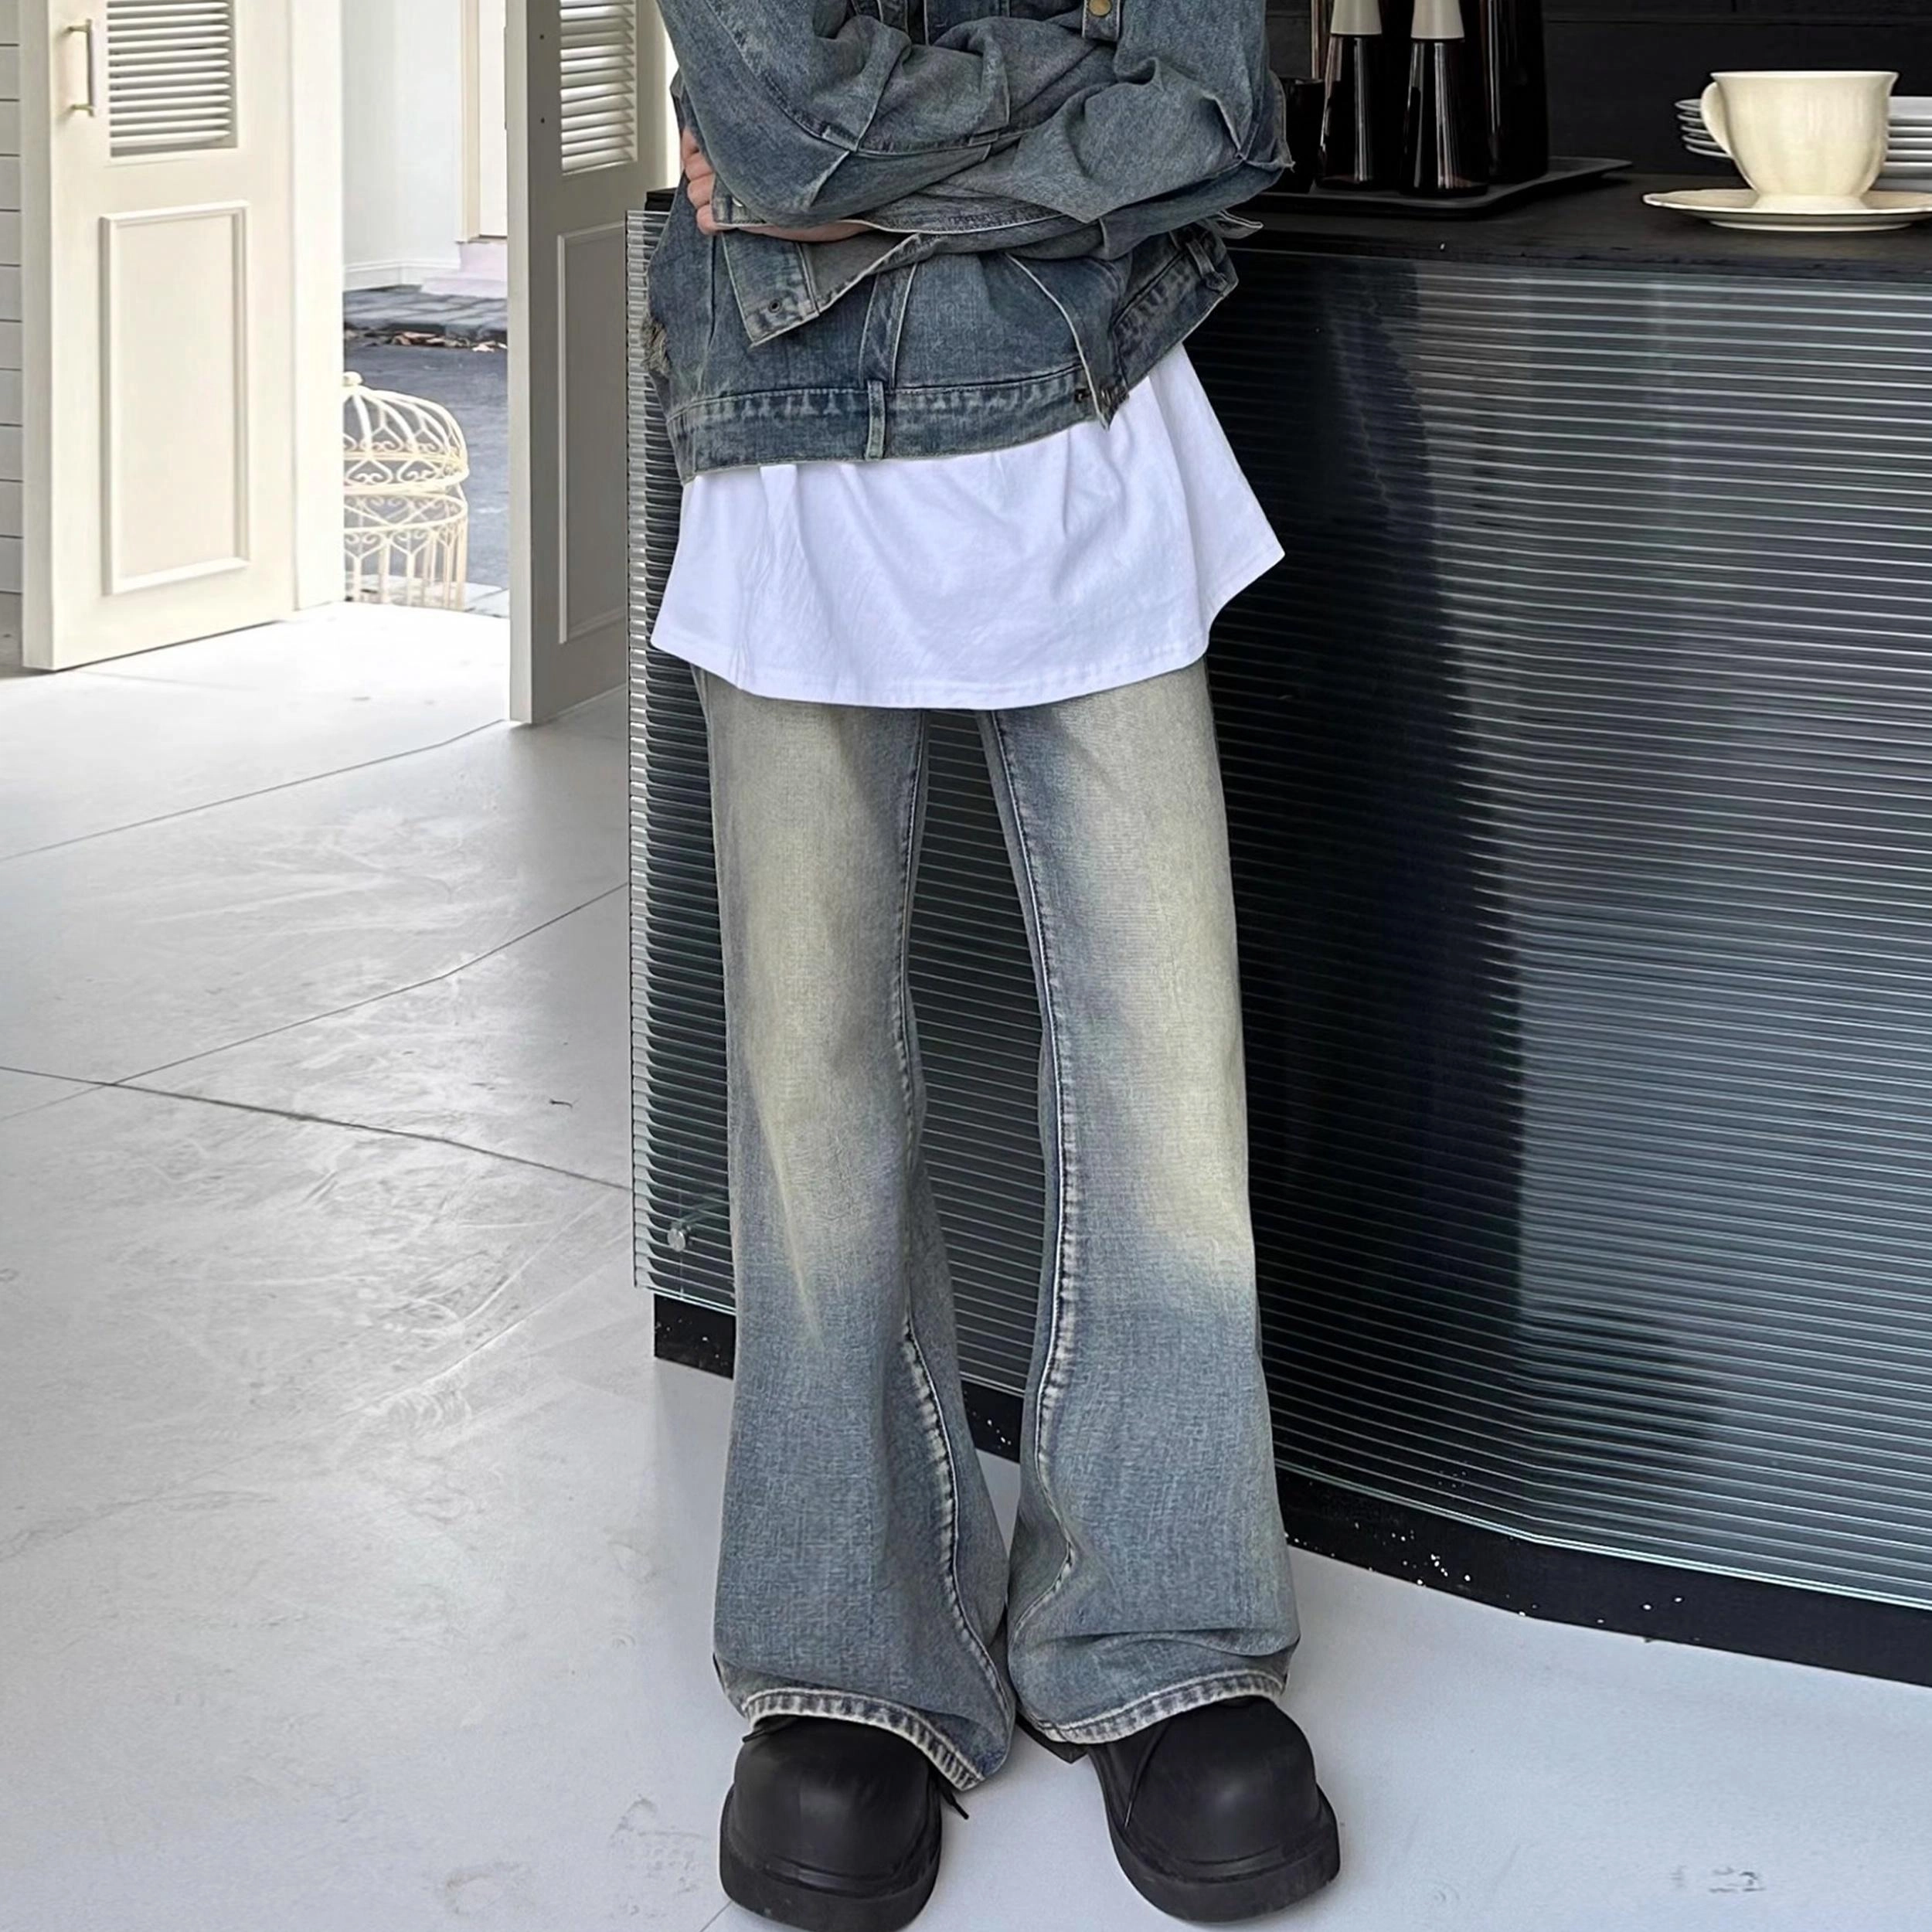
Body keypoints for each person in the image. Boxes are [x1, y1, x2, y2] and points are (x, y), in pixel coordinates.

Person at [641, 4, 1339, 1925]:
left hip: (1097, 426)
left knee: (1163, 1068)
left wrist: (862, 189)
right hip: (789, 425)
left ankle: (1158, 1621)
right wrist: (1059, 107)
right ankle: (847, 1638)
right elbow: (782, 121)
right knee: (808, 1080)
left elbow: (1214, 113)